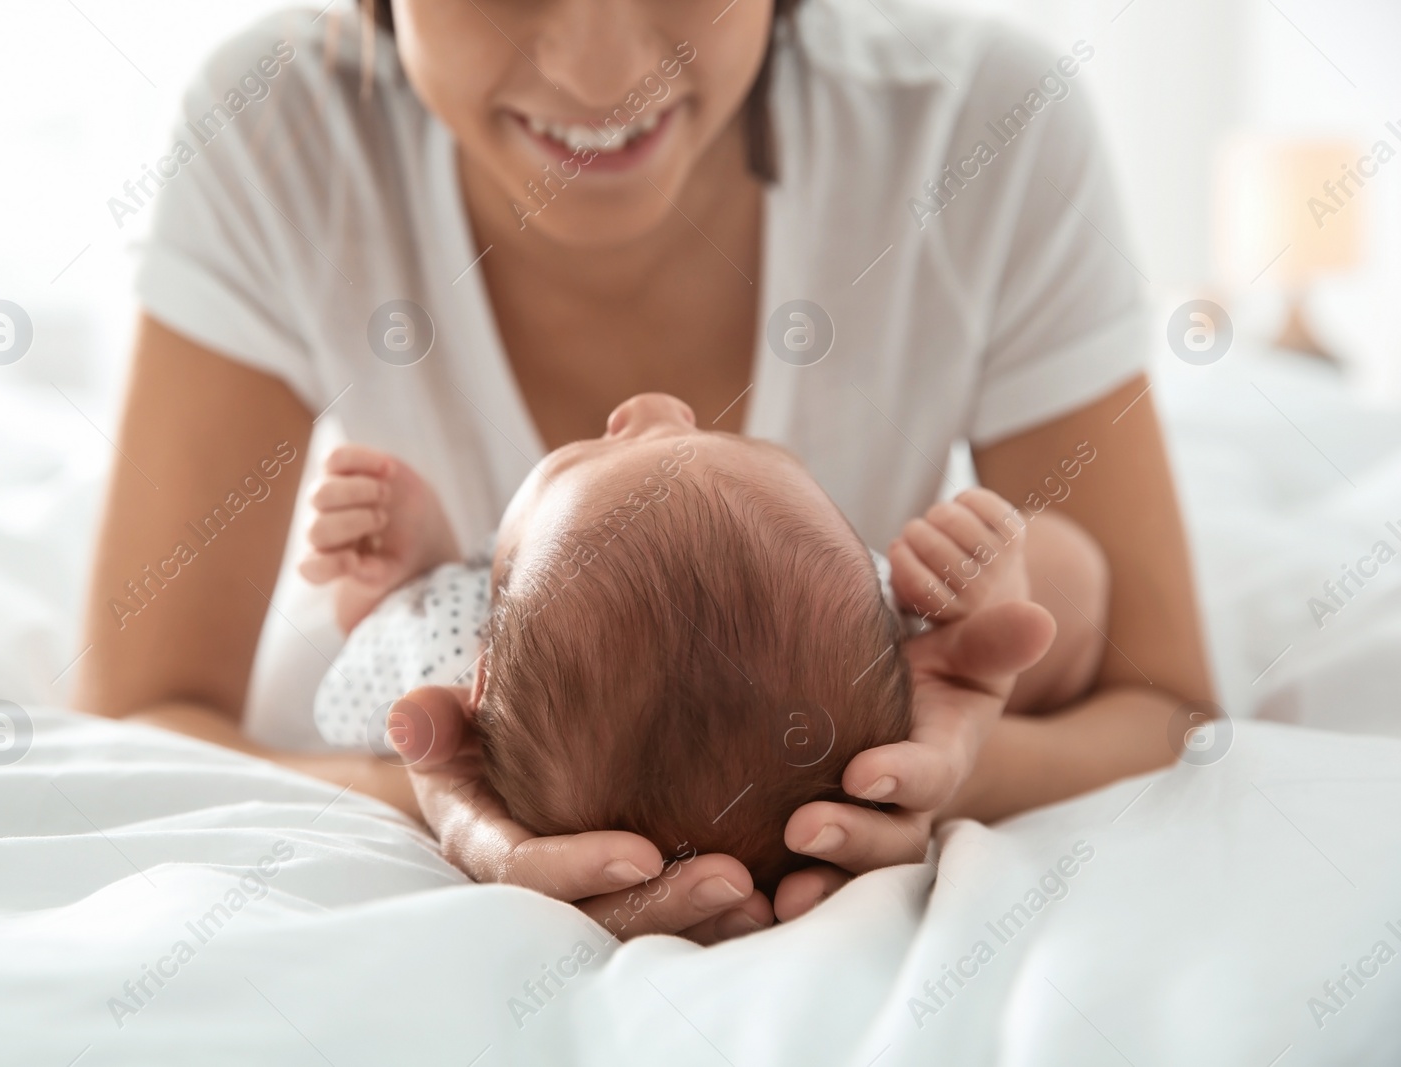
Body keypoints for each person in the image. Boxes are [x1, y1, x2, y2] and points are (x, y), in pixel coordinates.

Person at [76, 0, 1213, 943]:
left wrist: (944, 764)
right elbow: (141, 716)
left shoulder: (981, 126)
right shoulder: (275, 127)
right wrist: (447, 796)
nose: (601, 70)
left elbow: (1164, 707)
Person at [303, 392, 1106, 905]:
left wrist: (416, 571)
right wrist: (992, 591)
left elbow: (360, 652)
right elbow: (1077, 590)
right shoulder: (885, 623)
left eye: (589, 455)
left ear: (479, 679)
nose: (653, 404)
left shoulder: (443, 640)